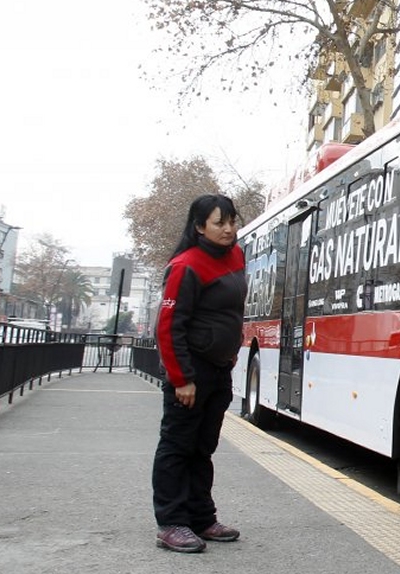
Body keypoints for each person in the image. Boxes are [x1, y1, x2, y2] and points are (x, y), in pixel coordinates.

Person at [152, 194, 247, 553]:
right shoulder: (185, 265)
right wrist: (182, 379)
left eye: (232, 221)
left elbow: (230, 313)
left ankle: (201, 517)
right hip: (191, 374)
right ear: (199, 227)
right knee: (177, 447)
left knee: (203, 448)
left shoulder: (236, 255)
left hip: (219, 370)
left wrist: (233, 348)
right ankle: (172, 523)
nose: (228, 229)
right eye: (219, 222)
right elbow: (169, 326)